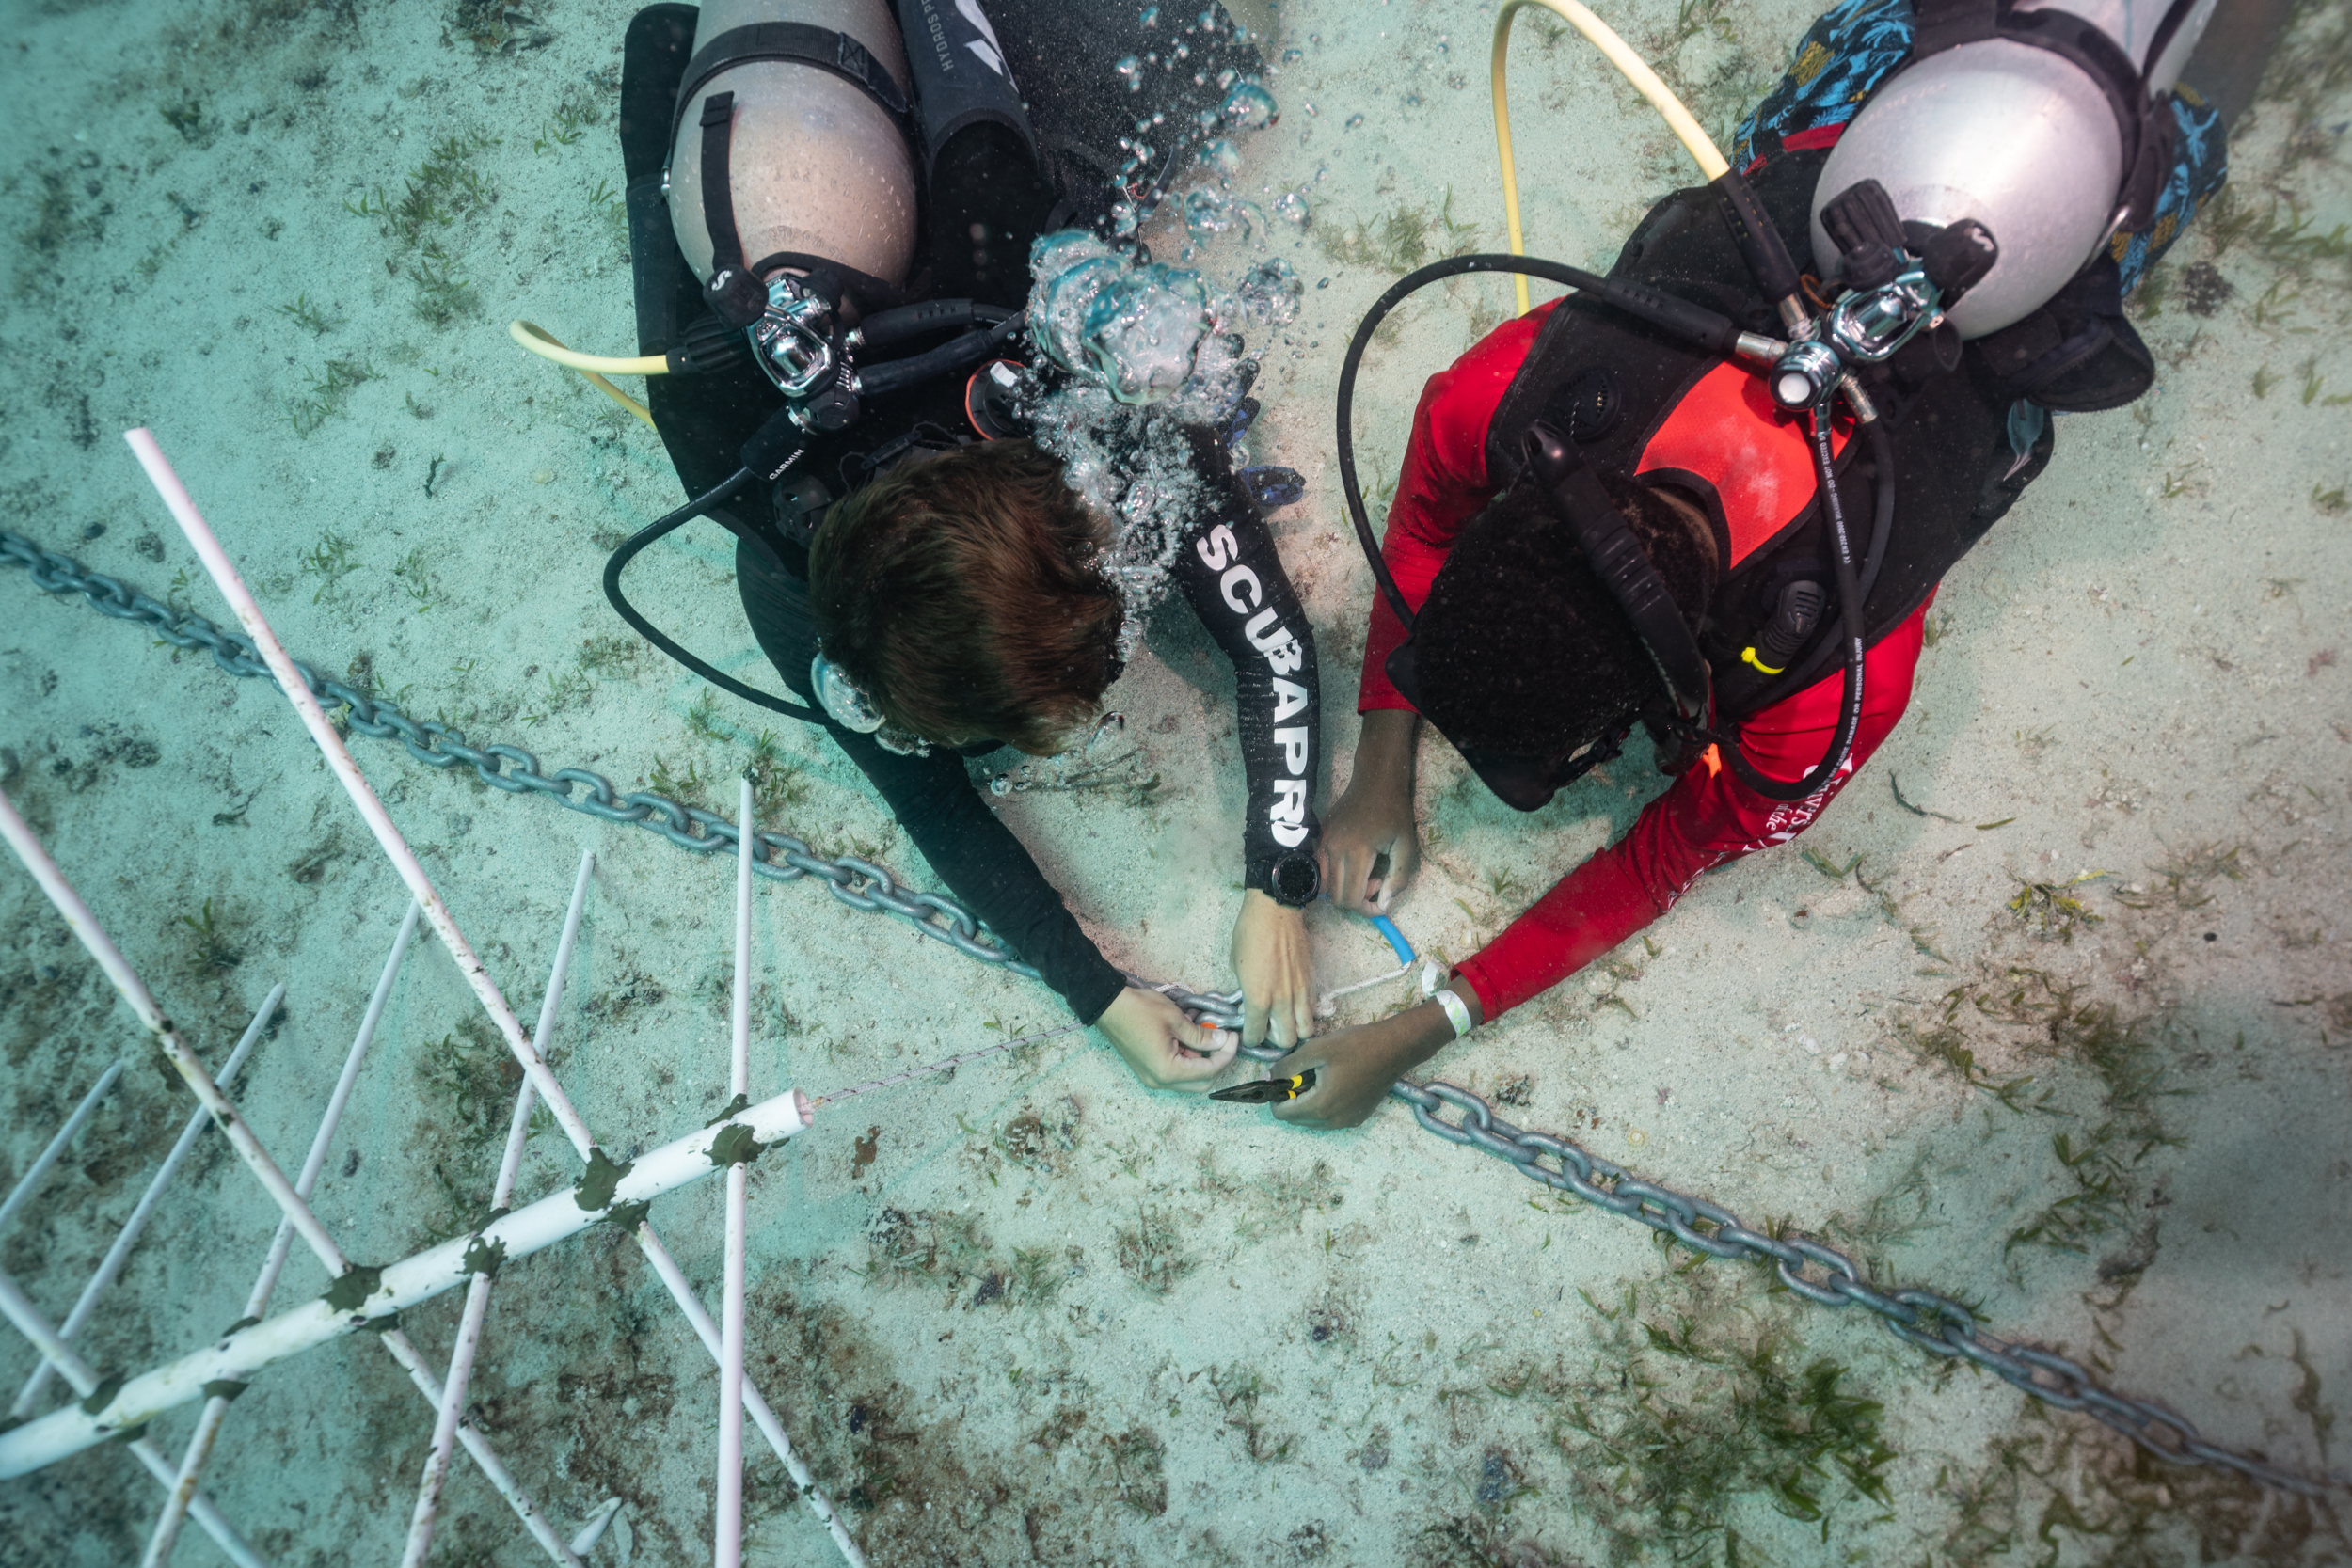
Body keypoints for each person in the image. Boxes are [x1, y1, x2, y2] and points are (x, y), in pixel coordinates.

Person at [1265, 0, 2270, 1129]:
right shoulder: (1511, 398)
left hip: (2019, 242)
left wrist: (1430, 1021)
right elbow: (1434, 517)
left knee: (2172, 127)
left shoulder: (1829, 684)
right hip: (1875, 145)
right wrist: (1378, 763)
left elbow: (1659, 859)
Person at [609, 0, 1321, 1093]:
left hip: (882, 163)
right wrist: (1099, 993)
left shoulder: (1060, 361)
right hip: (785, 124)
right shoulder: (775, 545)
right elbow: (933, 799)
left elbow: (1268, 642)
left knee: (1222, 49)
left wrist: (1281, 875)